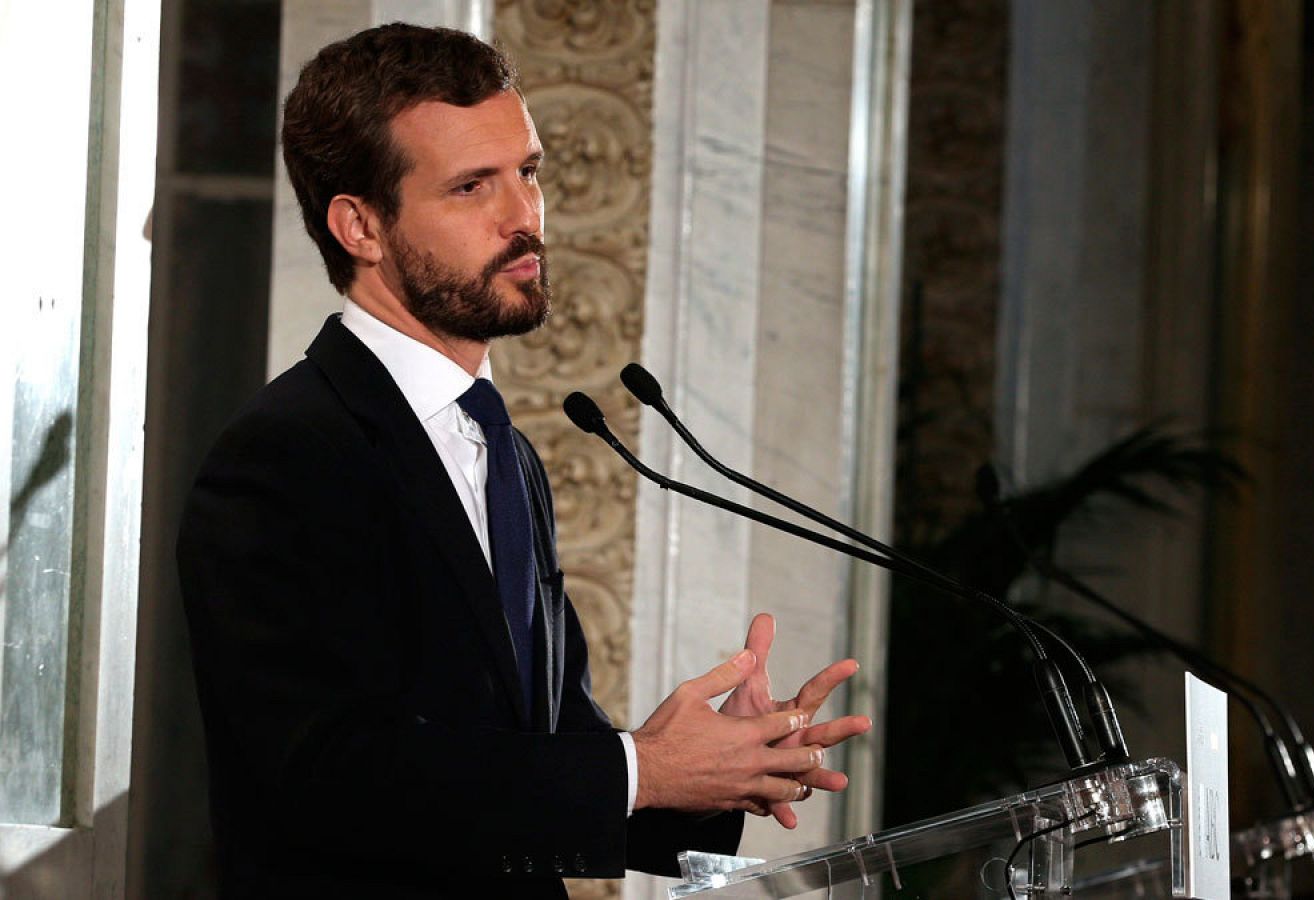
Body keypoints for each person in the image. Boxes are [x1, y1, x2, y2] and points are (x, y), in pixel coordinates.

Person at [177, 23, 869, 898]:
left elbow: (532, 754)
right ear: (359, 225)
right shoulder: (287, 454)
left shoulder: (498, 446)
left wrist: (717, 769)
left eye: (528, 173)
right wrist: (639, 769)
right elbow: (329, 783)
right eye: (472, 187)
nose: (525, 217)